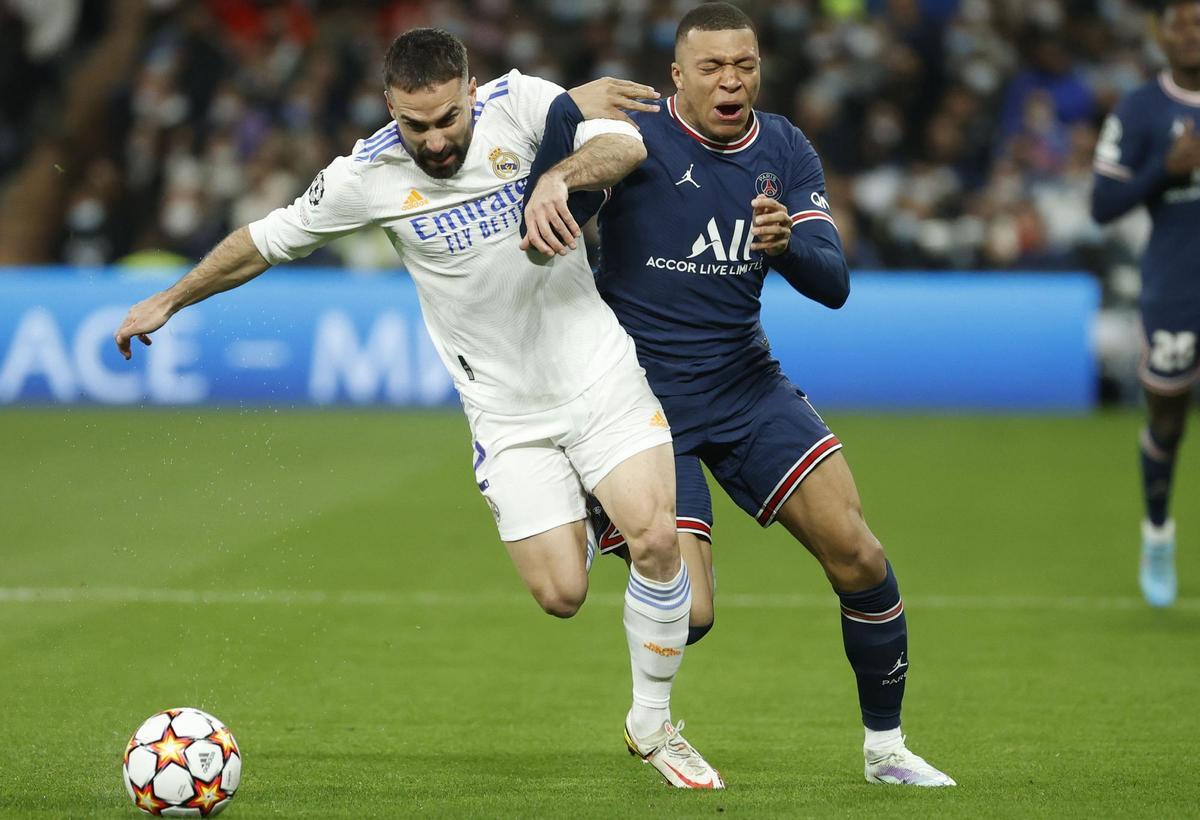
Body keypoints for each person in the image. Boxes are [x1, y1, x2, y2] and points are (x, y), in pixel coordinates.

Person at [113, 28, 724, 789]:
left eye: (447, 120)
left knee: (658, 542)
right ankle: (595, 508)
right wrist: (168, 299)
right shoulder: (366, 175)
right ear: (389, 109)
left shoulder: (523, 103)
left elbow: (624, 147)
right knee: (562, 595)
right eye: (416, 125)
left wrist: (556, 178)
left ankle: (653, 724)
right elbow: (264, 242)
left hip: (598, 375)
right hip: (506, 412)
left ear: (471, 93)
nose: (435, 140)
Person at [521, 3, 954, 786]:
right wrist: (559, 131)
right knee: (691, 616)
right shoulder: (631, 138)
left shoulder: (783, 146)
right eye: (713, 67)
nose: (732, 81)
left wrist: (788, 244)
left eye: (744, 66)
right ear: (677, 76)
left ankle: (886, 750)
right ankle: (606, 513)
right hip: (645, 404)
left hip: (746, 383)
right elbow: (550, 217)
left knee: (859, 553)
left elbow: (834, 284)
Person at [1092, 0, 1200, 609]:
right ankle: (1158, 532)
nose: (1190, 34)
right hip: (1178, 284)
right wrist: (1166, 169)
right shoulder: (1142, 109)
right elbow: (1103, 205)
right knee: (1168, 418)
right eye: (1179, 23)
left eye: (1199, 22)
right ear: (1161, 33)